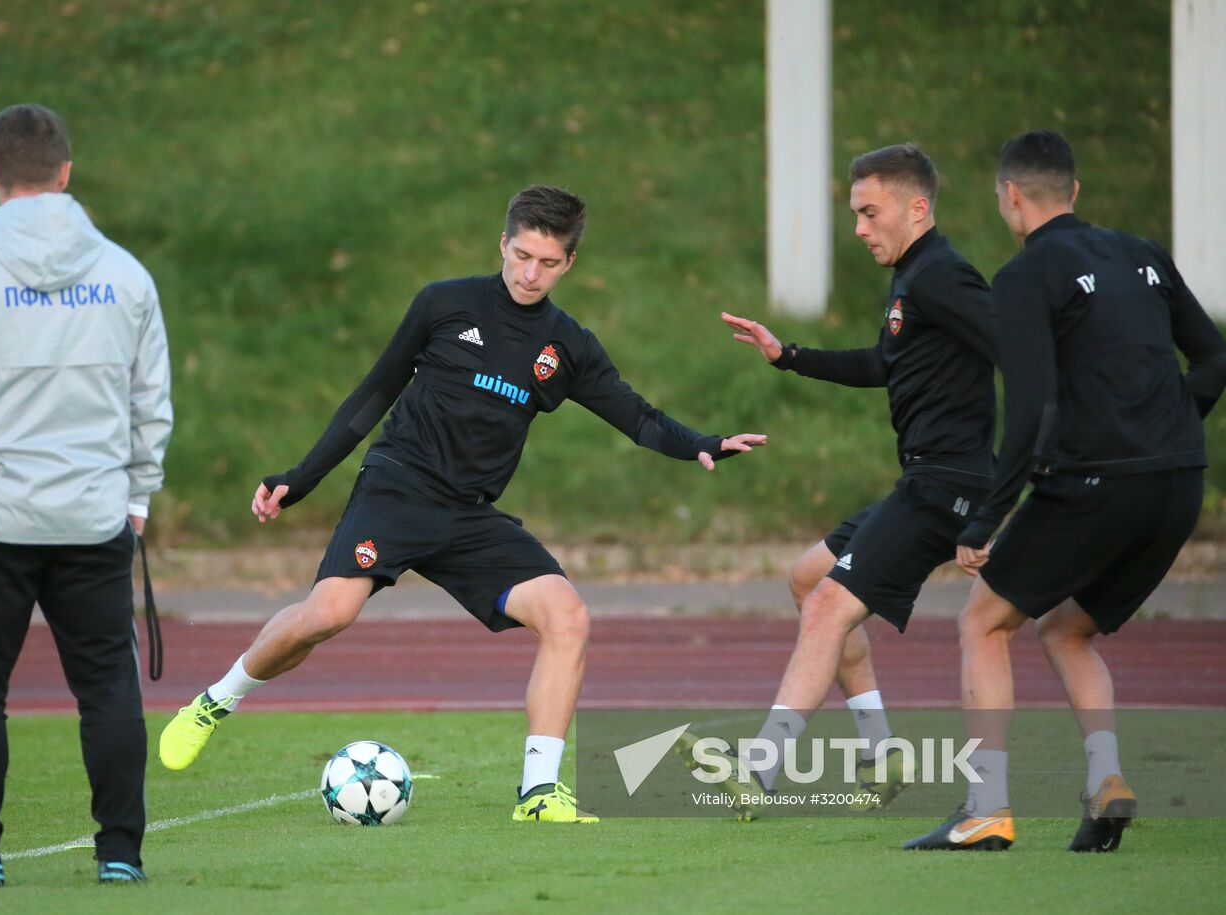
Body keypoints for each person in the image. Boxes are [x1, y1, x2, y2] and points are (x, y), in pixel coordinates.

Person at [158, 185, 766, 823]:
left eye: (548, 262)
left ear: (569, 263)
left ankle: (538, 794)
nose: (530, 274)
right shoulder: (445, 303)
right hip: (398, 487)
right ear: (502, 244)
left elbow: (637, 417)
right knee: (328, 614)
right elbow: (373, 394)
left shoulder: (567, 346)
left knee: (568, 617)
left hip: (469, 516)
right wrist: (302, 477)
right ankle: (215, 701)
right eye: (522, 255)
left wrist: (700, 444)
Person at [905, 130, 1226, 852]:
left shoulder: (1023, 275)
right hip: (1178, 483)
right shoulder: (1144, 252)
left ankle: (986, 810)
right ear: (1074, 192)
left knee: (983, 623)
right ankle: (1106, 780)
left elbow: (1030, 409)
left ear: (1010, 197)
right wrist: (1168, 429)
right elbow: (1214, 358)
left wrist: (986, 518)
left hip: (1094, 483)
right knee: (1066, 628)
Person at [0, 104, 172, 886]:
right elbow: (149, 402)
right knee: (108, 687)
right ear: (65, 172)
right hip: (93, 513)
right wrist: (137, 497)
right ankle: (120, 853)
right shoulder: (126, 274)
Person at [715, 144, 996, 814]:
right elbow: (884, 364)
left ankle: (760, 768)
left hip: (949, 484)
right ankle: (882, 754)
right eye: (856, 214)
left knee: (826, 606)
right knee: (809, 577)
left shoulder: (942, 275)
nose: (860, 228)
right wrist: (788, 356)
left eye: (870, 212)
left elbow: (1020, 350)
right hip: (924, 480)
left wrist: (999, 499)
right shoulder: (914, 276)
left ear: (917, 207)